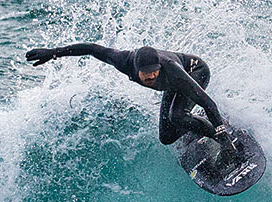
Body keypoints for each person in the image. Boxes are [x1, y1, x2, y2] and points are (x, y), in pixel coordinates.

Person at [25, 43, 229, 145]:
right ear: (136, 69)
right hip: (173, 85)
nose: (151, 79)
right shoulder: (124, 61)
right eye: (146, 76)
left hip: (195, 72)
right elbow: (92, 49)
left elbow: (206, 101)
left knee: (176, 115)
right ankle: (195, 123)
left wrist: (223, 136)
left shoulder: (172, 70)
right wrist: (54, 52)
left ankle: (219, 133)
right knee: (166, 138)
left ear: (160, 67)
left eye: (154, 74)